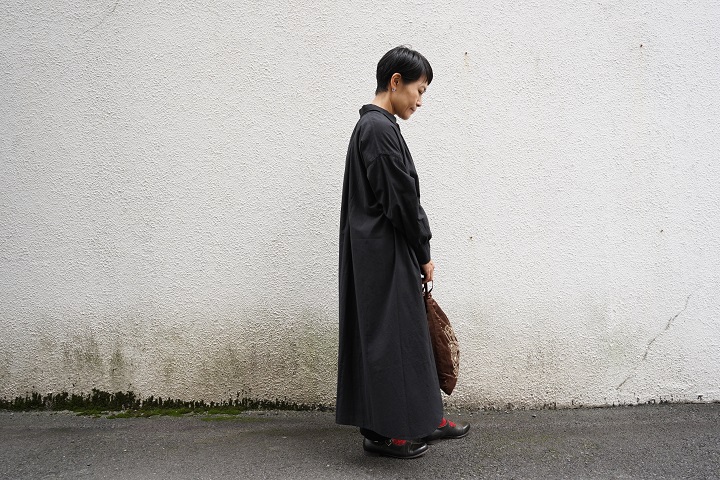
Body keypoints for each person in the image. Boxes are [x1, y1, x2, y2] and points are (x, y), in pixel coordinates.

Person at [336, 46, 470, 459]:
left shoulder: (379, 127)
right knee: (390, 341)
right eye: (419, 89)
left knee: (407, 335)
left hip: (383, 250)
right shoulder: (377, 129)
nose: (420, 100)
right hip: (384, 253)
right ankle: (388, 432)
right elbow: (402, 200)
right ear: (395, 82)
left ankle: (425, 417)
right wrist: (423, 250)